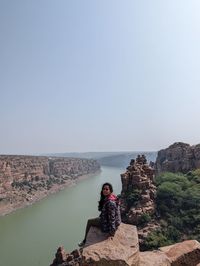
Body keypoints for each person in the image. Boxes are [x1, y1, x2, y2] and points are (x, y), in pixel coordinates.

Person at [78, 182, 121, 247]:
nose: (105, 190)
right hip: (114, 221)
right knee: (97, 218)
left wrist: (112, 233)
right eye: (104, 189)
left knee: (89, 221)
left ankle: (84, 241)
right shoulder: (112, 197)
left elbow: (112, 218)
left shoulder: (110, 202)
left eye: (107, 189)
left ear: (110, 190)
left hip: (108, 223)